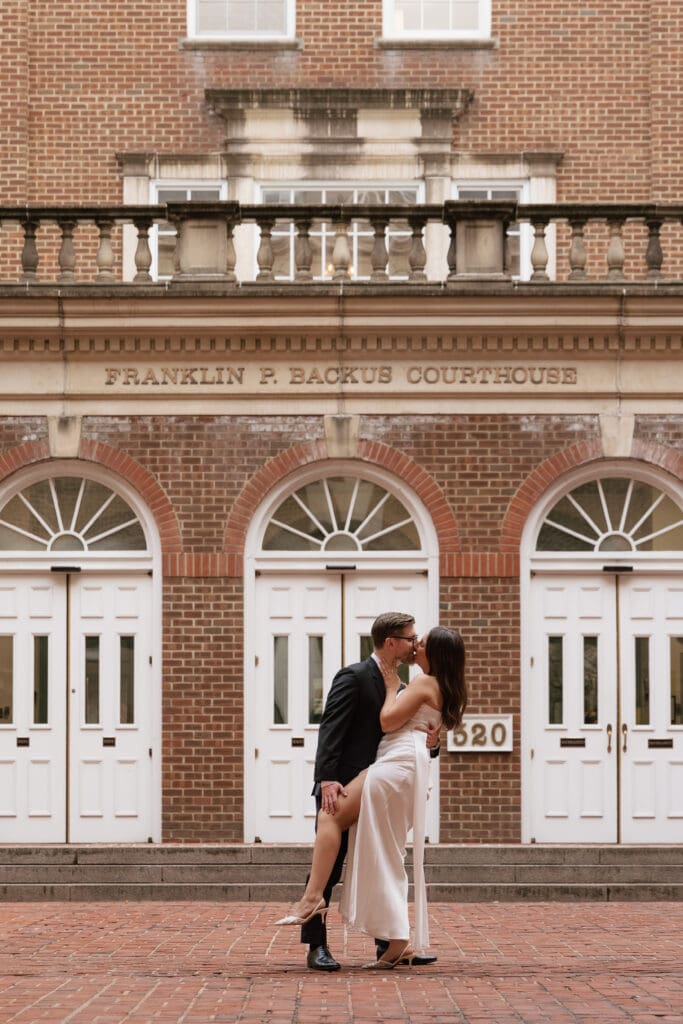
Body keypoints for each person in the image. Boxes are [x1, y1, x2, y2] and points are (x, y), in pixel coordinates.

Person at [277, 622, 466, 970]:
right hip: (348, 778)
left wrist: (432, 742)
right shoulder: (354, 676)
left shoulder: (411, 684)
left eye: (419, 642)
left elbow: (405, 729)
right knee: (336, 861)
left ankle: (389, 940)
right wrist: (327, 778)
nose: (414, 646)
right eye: (411, 639)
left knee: (382, 855)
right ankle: (318, 945)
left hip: (387, 775)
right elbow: (330, 729)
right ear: (392, 643)